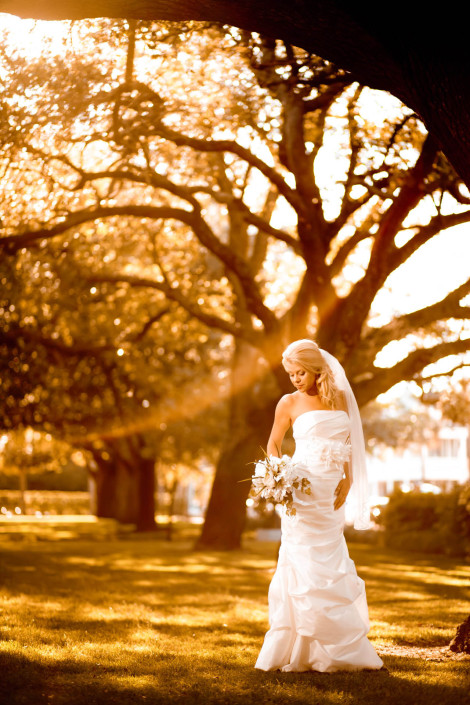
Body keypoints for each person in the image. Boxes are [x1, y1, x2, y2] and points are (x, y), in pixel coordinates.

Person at [255, 339, 384, 673]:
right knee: (300, 562)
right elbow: (273, 442)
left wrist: (349, 478)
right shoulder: (288, 403)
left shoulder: (340, 398)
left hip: (330, 491)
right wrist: (278, 474)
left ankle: (335, 647)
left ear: (315, 369)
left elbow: (352, 442)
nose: (296, 379)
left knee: (330, 559)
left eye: (300, 372)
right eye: (291, 374)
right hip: (300, 489)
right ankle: (295, 647)